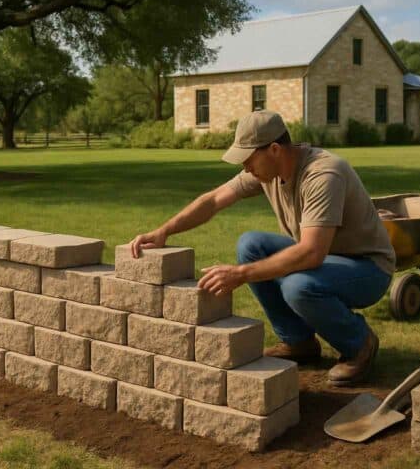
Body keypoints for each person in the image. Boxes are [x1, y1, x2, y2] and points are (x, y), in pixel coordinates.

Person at [129, 110, 395, 386]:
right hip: (326, 257)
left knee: (298, 286)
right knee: (251, 244)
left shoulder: (323, 174)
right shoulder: (267, 172)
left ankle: (359, 344)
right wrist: (164, 231)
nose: (245, 168)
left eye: (248, 159)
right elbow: (214, 200)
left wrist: (241, 274)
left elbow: (312, 252)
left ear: (275, 149)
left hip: (367, 268)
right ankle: (299, 342)